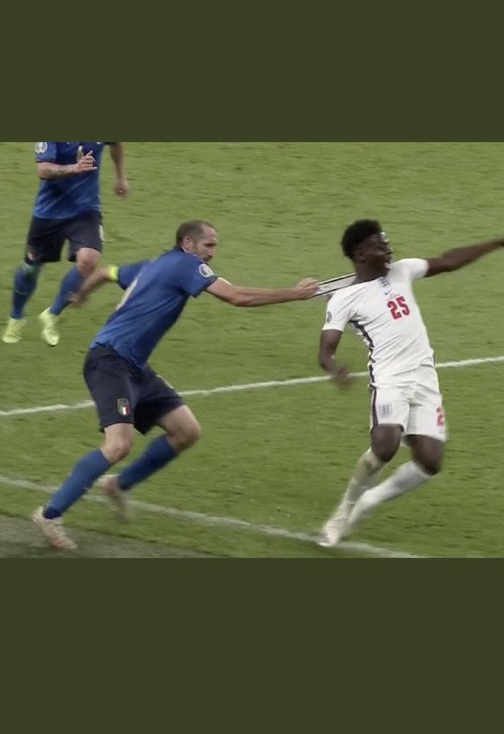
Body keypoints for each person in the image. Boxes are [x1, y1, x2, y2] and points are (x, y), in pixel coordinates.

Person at [32, 220, 318, 551]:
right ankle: (50, 514)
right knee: (117, 446)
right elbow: (236, 296)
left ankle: (118, 485)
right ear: (187, 244)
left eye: (214, 246)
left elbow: (107, 272)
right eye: (208, 245)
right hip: (110, 363)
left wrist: (82, 292)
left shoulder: (155, 264)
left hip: (134, 367)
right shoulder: (186, 264)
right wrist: (294, 294)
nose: (212, 253)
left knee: (186, 431)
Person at [317, 219, 504, 548]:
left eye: (386, 241)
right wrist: (334, 368)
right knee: (385, 447)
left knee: (430, 462)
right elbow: (325, 350)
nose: (388, 248)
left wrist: (499, 242)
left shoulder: (402, 270)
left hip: (424, 377)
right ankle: (344, 510)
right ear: (360, 254)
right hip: (390, 379)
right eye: (379, 244)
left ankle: (369, 501)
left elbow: (449, 260)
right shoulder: (344, 299)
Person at [2, 142, 128, 347]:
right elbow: (43, 170)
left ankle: (52, 314)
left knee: (89, 260)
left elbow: (116, 144)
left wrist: (121, 177)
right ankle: (16, 317)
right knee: (31, 270)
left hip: (86, 210)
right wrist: (74, 168)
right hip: (49, 212)